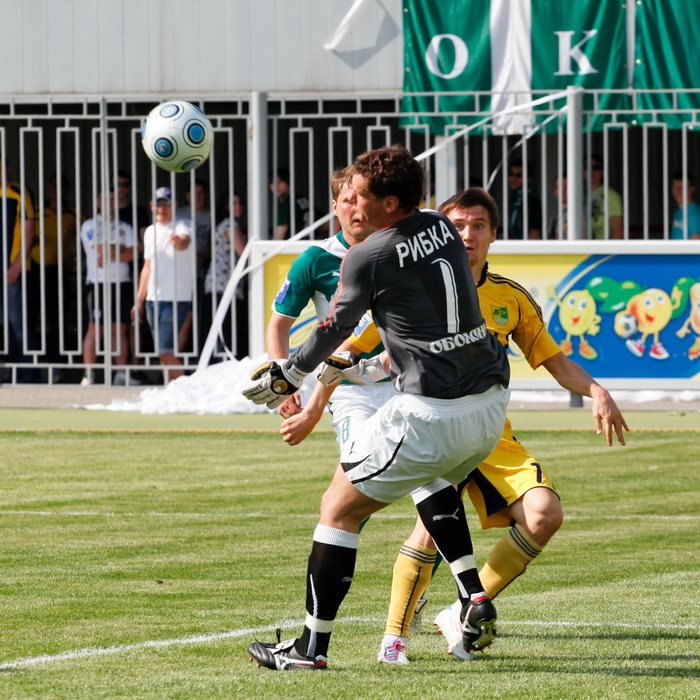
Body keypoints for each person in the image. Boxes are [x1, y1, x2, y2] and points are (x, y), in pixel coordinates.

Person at [281, 187, 630, 664]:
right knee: (427, 523)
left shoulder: (510, 297)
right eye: (458, 226)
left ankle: (461, 608)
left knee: (544, 514)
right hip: (438, 417)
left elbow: (554, 361)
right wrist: (315, 405)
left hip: (488, 428)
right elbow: (346, 351)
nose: (467, 235)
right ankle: (395, 638)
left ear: (493, 234)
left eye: (478, 226)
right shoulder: (413, 288)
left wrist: (597, 391)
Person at [241, 145, 511, 670]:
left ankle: (310, 649)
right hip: (488, 405)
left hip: (431, 412)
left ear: (389, 203)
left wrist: (290, 373)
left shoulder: (368, 255)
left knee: (338, 509)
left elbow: (335, 327)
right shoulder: (440, 225)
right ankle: (472, 594)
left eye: (361, 195)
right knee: (428, 478)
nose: (353, 203)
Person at [266, 166, 393, 450]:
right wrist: (282, 379)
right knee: (360, 461)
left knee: (424, 471)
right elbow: (278, 325)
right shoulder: (315, 259)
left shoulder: (399, 251)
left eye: (364, 199)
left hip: (404, 381)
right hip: (348, 388)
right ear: (335, 206)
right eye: (348, 200)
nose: (357, 208)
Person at [131, 186, 193, 382]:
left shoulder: (182, 225)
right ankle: (172, 386)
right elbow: (147, 267)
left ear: (174, 206)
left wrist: (177, 241)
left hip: (176, 298)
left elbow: (184, 242)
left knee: (164, 350)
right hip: (153, 299)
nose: (162, 209)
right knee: (163, 350)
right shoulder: (150, 232)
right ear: (152, 206)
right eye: (159, 204)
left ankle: (186, 388)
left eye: (166, 204)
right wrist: (139, 300)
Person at [29, 173, 82, 377]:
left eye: (60, 185)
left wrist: (75, 258)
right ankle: (28, 365)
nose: (56, 189)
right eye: (53, 185)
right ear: (48, 188)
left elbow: (88, 236)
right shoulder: (36, 210)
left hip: (59, 272)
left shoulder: (74, 213)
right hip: (34, 271)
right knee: (29, 316)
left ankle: (56, 363)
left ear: (66, 189)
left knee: (56, 318)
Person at [79, 187, 134, 385]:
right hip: (98, 284)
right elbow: (99, 248)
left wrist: (111, 254)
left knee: (120, 329)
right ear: (98, 202)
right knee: (95, 329)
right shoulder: (89, 224)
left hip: (121, 283)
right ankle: (89, 373)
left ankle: (120, 374)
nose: (110, 203)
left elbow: (134, 252)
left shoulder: (125, 226)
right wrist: (121, 249)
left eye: (113, 199)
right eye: (106, 199)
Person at [0, 162, 37, 382]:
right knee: (5, 323)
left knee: (17, 321)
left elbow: (30, 226)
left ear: (8, 169)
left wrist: (18, 264)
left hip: (12, 267)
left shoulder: (18, 192)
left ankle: (28, 372)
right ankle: (12, 371)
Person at [203, 192, 247, 359]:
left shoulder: (222, 223)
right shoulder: (230, 225)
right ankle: (223, 363)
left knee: (220, 329)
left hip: (218, 283)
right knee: (227, 331)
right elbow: (243, 252)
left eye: (240, 203)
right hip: (225, 285)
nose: (238, 206)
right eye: (233, 203)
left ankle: (218, 362)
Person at [176, 179, 212, 353]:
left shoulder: (211, 216)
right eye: (193, 193)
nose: (197, 197)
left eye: (201, 193)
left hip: (199, 274)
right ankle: (170, 359)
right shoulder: (178, 215)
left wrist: (205, 254)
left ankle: (175, 358)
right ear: (187, 195)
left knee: (190, 318)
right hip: (177, 274)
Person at [270, 167, 322, 240]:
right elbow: (326, 222)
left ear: (288, 182)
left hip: (294, 244)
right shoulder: (301, 199)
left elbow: (280, 235)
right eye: (272, 182)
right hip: (311, 242)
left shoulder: (285, 204)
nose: (275, 186)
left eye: (279, 182)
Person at [585, 153, 623, 240]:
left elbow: (618, 232)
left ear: (602, 172)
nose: (591, 172)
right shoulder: (578, 196)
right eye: (587, 167)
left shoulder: (611, 195)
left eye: (596, 168)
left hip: (602, 246)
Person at [506, 158, 542, 240]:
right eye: (511, 174)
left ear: (528, 178)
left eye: (519, 175)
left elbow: (535, 231)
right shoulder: (516, 197)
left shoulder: (530, 197)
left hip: (525, 245)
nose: (513, 179)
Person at [670, 171, 700, 240]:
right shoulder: (677, 213)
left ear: (691, 189)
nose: (678, 191)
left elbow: (696, 244)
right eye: (675, 187)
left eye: (682, 188)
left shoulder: (696, 214)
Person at [547, 173, 568, 240]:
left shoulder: (578, 214)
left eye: (567, 187)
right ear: (554, 191)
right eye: (559, 187)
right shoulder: (554, 216)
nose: (563, 190)